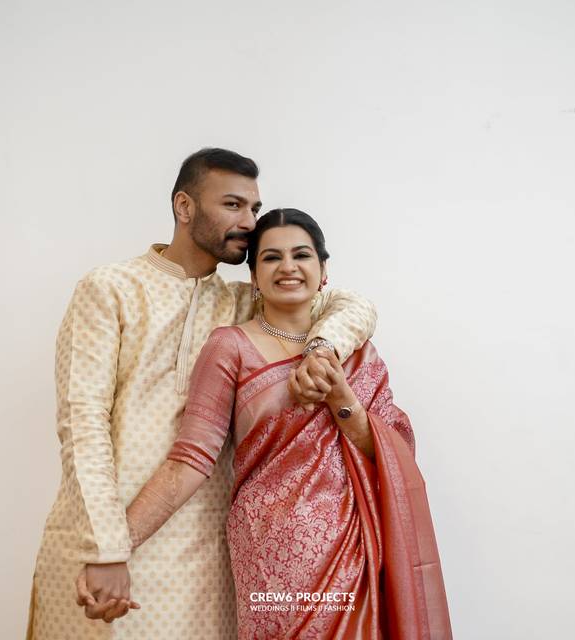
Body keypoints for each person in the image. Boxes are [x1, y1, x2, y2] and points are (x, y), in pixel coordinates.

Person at [27, 150, 377, 640]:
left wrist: (321, 348)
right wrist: (108, 548)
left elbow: (351, 302)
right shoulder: (110, 289)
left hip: (207, 559)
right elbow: (82, 426)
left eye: (254, 208)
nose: (249, 222)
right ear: (184, 207)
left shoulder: (241, 302)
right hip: (103, 538)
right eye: (233, 205)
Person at [88, 208, 452, 638]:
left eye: (301, 255)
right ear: (254, 278)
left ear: (323, 270)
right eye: (271, 258)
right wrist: (113, 548)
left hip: (354, 544)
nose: (288, 267)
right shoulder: (231, 347)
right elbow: (190, 459)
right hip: (270, 545)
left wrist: (340, 394)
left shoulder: (357, 352)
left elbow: (396, 451)